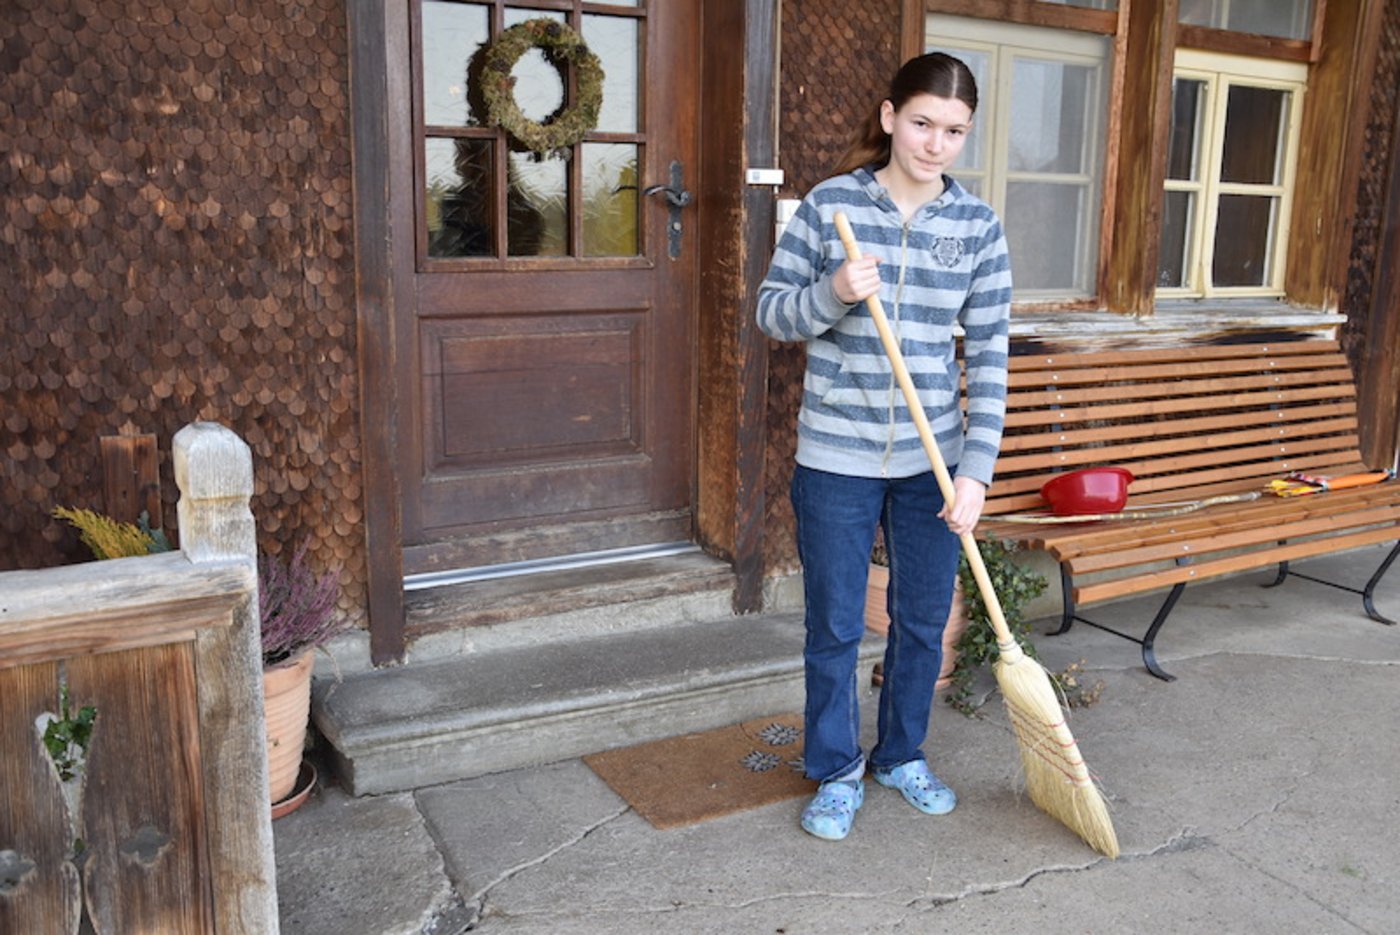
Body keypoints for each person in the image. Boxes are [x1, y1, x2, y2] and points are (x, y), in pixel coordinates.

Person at [756, 52, 1011, 841]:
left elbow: (994, 353)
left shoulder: (976, 227)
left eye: (955, 131)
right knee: (834, 622)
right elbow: (772, 315)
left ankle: (901, 754)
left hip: (932, 460)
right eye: (924, 122)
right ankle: (835, 767)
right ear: (890, 115)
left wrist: (976, 471)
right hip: (835, 454)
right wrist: (832, 293)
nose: (936, 143)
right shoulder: (832, 207)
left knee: (922, 616)